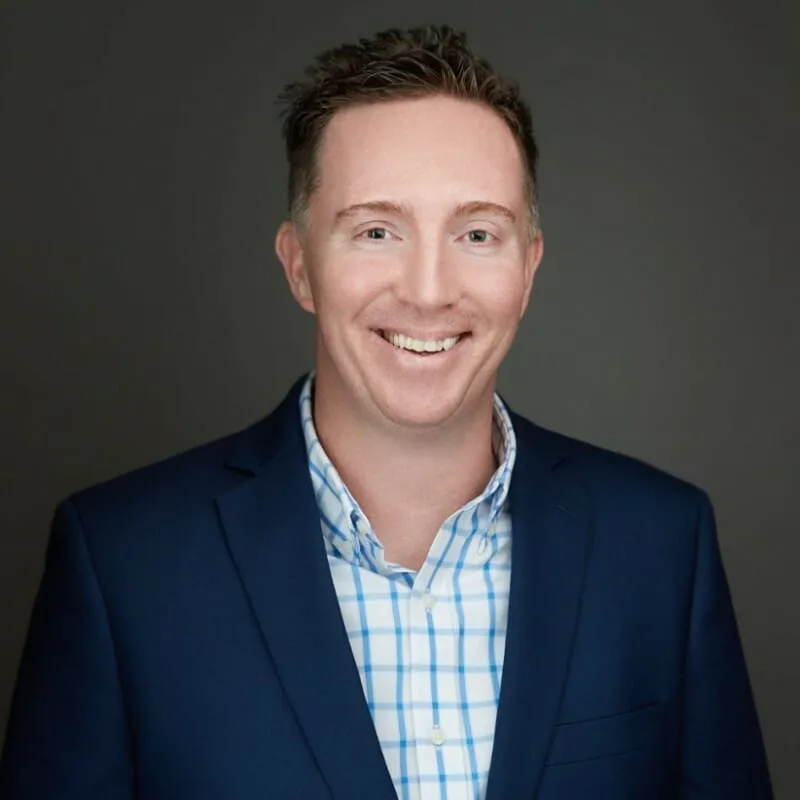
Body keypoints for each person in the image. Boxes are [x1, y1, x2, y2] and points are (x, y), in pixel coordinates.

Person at [0, 24, 772, 800]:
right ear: (300, 265)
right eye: (376, 231)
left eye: (477, 233)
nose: (429, 290)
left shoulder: (664, 546)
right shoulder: (121, 563)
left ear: (528, 268)